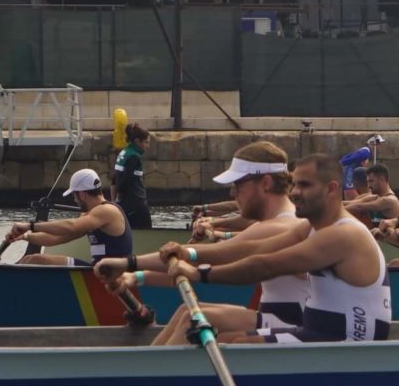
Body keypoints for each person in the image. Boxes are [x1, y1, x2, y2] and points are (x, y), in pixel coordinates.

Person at [142, 153, 391, 343]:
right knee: (227, 339)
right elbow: (255, 249)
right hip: (315, 334)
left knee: (238, 344)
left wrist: (200, 275)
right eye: (294, 185)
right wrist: (191, 253)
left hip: (345, 345)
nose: (294, 193)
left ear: (332, 189)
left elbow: (265, 265)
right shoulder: (310, 227)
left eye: (304, 186)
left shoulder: (343, 235)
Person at [106, 141, 311, 329]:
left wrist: (128, 264)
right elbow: (195, 266)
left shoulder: (279, 227)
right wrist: (136, 277)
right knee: (186, 312)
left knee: (192, 318)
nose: (232, 194)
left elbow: (205, 257)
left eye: (238, 185)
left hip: (293, 324)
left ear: (265, 183)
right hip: (280, 318)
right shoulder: (281, 222)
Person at [1, 169, 133, 266]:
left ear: (81, 195)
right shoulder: (90, 216)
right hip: (97, 270)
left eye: (74, 196)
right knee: (31, 259)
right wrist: (24, 237)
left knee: (35, 260)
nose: (75, 200)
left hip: (115, 274)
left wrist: (30, 225)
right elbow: (56, 238)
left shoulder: (107, 211)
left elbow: (72, 226)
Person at [111, 121, 152, 230]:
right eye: (146, 143)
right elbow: (126, 182)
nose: (148, 146)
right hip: (136, 205)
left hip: (123, 204)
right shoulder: (134, 158)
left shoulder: (124, 153)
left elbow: (114, 179)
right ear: (137, 141)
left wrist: (115, 202)